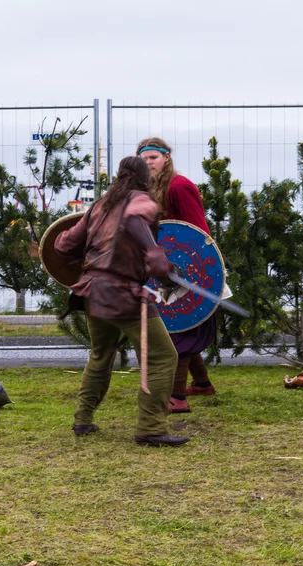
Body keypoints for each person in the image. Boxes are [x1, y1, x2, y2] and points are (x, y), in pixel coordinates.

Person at [54, 156, 189, 447]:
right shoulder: (142, 202)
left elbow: (62, 244)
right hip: (123, 294)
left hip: (91, 292)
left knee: (101, 354)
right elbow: (136, 227)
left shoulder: (100, 206)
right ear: (146, 180)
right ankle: (151, 428)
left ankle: (83, 420)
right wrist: (161, 264)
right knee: (162, 356)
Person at [136, 137, 216, 414]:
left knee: (180, 334)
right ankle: (203, 384)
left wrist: (196, 273)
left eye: (153, 158)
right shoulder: (149, 188)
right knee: (182, 326)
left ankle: (177, 398)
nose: (149, 164)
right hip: (166, 270)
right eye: (144, 160)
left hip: (191, 271)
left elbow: (197, 233)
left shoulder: (179, 186)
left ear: (167, 157)